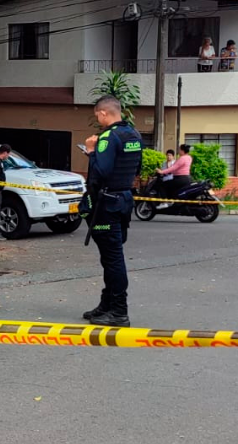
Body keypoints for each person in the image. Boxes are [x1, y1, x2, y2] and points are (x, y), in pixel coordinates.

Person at [78, 95, 143, 327]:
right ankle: (106, 305)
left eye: (97, 115)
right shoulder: (134, 134)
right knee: (110, 256)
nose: (98, 119)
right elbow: (137, 167)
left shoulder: (108, 137)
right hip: (123, 199)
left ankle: (118, 311)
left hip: (106, 202)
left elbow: (102, 171)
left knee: (113, 257)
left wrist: (91, 150)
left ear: (104, 113)